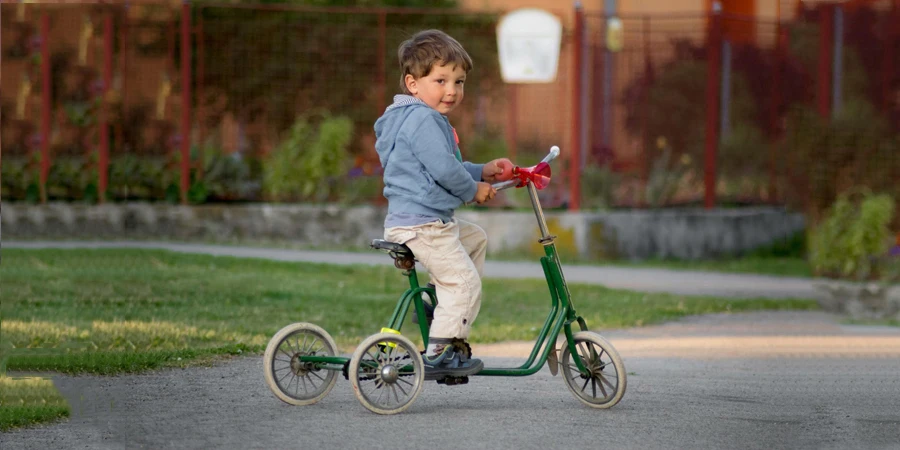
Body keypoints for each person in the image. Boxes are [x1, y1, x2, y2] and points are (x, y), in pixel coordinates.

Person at [374, 29, 514, 380]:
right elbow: (443, 170)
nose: (451, 90)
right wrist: (472, 190)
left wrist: (482, 171)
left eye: (459, 81)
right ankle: (442, 349)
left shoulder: (416, 117)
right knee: (465, 284)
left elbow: (443, 166)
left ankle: (438, 303)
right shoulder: (422, 120)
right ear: (413, 83)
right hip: (423, 225)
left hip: (420, 221)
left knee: (474, 238)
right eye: (441, 80)